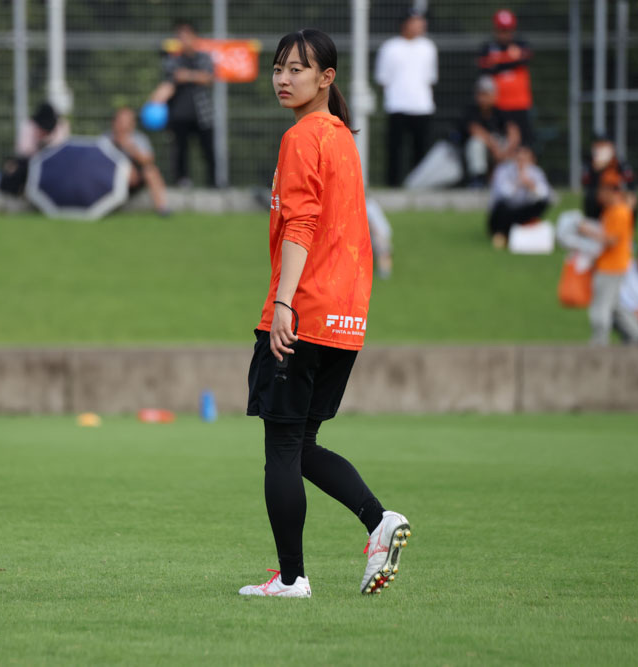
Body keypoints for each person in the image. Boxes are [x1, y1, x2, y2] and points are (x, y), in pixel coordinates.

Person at [239, 29, 410, 599]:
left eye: (297, 69)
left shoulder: (303, 136)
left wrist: (283, 303)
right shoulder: (341, 138)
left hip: (304, 312)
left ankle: (292, 579)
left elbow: (302, 223)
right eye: (278, 69)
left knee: (282, 449)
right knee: (302, 444)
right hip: (344, 319)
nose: (283, 79)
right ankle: (379, 522)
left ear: (325, 78)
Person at [375, 8, 438, 186]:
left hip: (422, 105)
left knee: (421, 148)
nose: (421, 25)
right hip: (397, 105)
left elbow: (430, 77)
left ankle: (419, 184)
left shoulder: (428, 47)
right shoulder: (390, 47)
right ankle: (393, 183)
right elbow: (383, 78)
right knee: (395, 148)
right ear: (405, 24)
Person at [149, 20, 216, 187]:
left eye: (187, 36)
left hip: (202, 114)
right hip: (179, 114)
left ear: (194, 37)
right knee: (180, 150)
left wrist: (186, 75)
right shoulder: (172, 61)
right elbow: (170, 82)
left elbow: (208, 78)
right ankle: (182, 181)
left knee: (208, 149)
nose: (184, 40)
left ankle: (213, 183)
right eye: (180, 36)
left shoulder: (204, 58)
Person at [584, 183, 638, 345]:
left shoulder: (620, 211)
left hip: (612, 266)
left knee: (601, 305)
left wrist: (587, 231)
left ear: (610, 192)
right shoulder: (611, 210)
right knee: (614, 304)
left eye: (600, 192)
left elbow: (612, 240)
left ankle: (600, 340)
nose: (598, 197)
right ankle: (637, 333)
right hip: (609, 264)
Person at [479, 9, 535, 145]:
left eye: (508, 30)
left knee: (524, 145)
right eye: (502, 30)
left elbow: (526, 57)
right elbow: (484, 65)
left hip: (520, 105)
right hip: (498, 107)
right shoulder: (487, 47)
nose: (505, 34)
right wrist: (511, 58)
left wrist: (497, 61)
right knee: (500, 143)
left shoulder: (521, 43)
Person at [106, 107, 170, 215]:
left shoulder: (139, 138)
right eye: (121, 120)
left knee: (151, 171)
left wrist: (129, 147)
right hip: (112, 177)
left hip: (136, 178)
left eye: (128, 121)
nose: (124, 124)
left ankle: (162, 207)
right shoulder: (105, 139)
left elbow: (148, 160)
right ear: (114, 122)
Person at [459, 76, 520, 185]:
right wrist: (495, 149)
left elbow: (513, 132)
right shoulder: (471, 112)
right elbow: (476, 130)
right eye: (480, 94)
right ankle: (478, 178)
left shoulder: (500, 111)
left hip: (500, 153)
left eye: (486, 94)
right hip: (487, 151)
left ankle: (507, 180)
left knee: (513, 148)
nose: (483, 98)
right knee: (476, 143)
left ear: (494, 95)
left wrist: (507, 151)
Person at [487, 145, 550, 248]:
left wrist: (531, 186)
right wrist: (518, 183)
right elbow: (502, 193)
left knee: (542, 203)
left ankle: (525, 228)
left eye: (525, 159)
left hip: (523, 212)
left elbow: (546, 195)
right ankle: (502, 233)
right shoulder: (503, 170)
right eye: (519, 159)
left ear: (532, 160)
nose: (522, 162)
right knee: (502, 206)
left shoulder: (536, 172)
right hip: (504, 213)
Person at [582, 133, 638, 223]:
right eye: (599, 145)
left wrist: (625, 197)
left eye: (604, 145)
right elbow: (588, 185)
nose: (601, 149)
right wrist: (598, 169)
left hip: (618, 196)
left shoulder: (620, 164)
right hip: (598, 201)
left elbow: (630, 185)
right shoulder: (590, 165)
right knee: (592, 197)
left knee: (632, 200)